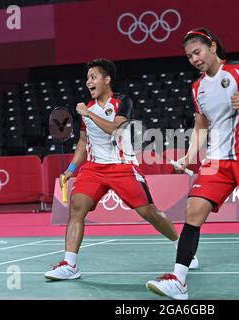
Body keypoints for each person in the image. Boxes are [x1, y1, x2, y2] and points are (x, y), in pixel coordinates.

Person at [146, 28, 239, 299]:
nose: (194, 59)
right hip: (216, 159)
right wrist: (188, 156)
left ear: (212, 47)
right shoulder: (197, 88)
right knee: (193, 212)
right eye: (189, 56)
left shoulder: (238, 70)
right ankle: (178, 280)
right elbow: (200, 125)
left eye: (197, 52)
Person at [45, 59, 198, 280]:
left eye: (94, 77)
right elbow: (82, 143)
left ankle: (183, 249)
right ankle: (70, 265)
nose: (89, 81)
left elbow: (114, 129)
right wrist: (71, 168)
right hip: (94, 168)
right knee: (77, 209)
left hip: (123, 167)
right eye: (87, 78)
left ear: (107, 80)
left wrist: (88, 115)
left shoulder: (122, 102)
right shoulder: (86, 108)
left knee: (150, 213)